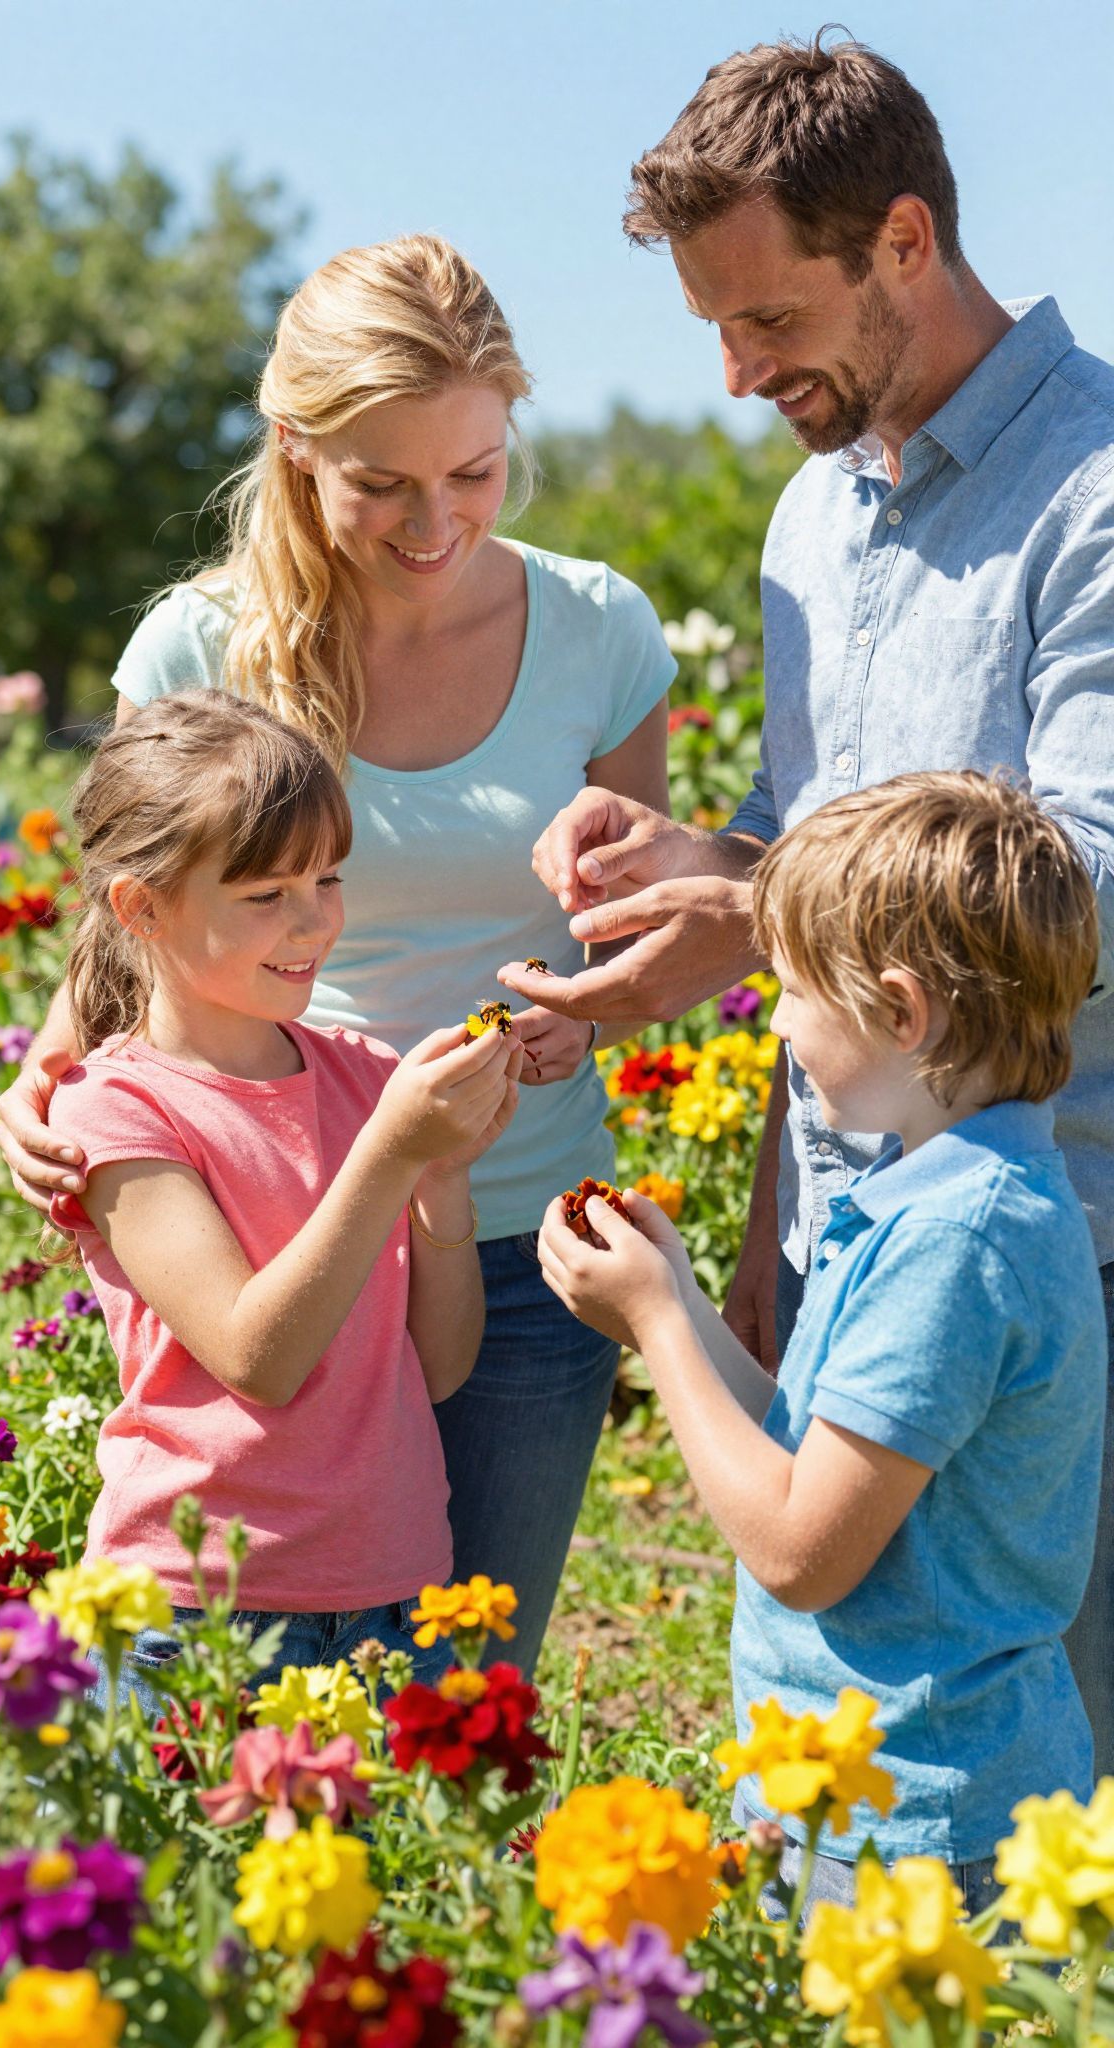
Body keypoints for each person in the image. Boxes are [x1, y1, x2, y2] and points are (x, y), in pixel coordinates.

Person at [501, 33, 1114, 1746]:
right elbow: (808, 845)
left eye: (765, 319)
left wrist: (752, 910)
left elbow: (1088, 888)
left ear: (902, 243)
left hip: (1058, 1240)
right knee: (866, 1764)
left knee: (1052, 1784)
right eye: (711, 322)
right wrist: (687, 885)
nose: (729, 370)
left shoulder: (1094, 493)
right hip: (845, 1240)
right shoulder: (807, 523)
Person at [0, 234, 674, 1675]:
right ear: (297, 452)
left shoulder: (600, 630)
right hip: (262, 1235)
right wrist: (39, 1085)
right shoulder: (200, 643)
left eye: (475, 473)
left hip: (518, 1233)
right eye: (382, 483)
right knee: (242, 1683)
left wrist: (593, 1013)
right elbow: (129, 925)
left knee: (460, 1713)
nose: (438, 522)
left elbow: (636, 937)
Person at [537, 772, 1106, 1911]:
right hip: (885, 1788)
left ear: (903, 1013)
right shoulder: (954, 1191)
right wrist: (688, 1300)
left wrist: (656, 1326)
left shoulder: (958, 1243)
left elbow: (803, 1547)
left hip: (909, 1825)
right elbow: (814, 1453)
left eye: (794, 991)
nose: (780, 1023)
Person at [46, 690, 521, 1716]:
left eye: (328, 878)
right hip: (194, 1610)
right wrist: (395, 1153)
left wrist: (441, 1179)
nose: (313, 921)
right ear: (144, 907)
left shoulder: (362, 1075)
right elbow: (259, 1355)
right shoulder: (117, 1107)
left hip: (397, 1601)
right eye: (265, 893)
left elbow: (438, 1367)